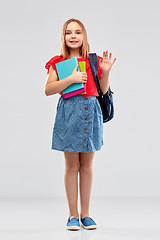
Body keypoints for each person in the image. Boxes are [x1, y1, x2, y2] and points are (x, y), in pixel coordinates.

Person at [44, 18, 116, 231]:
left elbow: (103, 92)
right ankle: (72, 215)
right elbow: (48, 89)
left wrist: (107, 71)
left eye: (77, 32)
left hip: (91, 112)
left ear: (84, 36)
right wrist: (72, 78)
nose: (73, 36)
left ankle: (86, 214)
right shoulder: (57, 61)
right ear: (63, 37)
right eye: (68, 33)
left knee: (86, 166)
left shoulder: (93, 61)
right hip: (70, 113)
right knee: (71, 166)